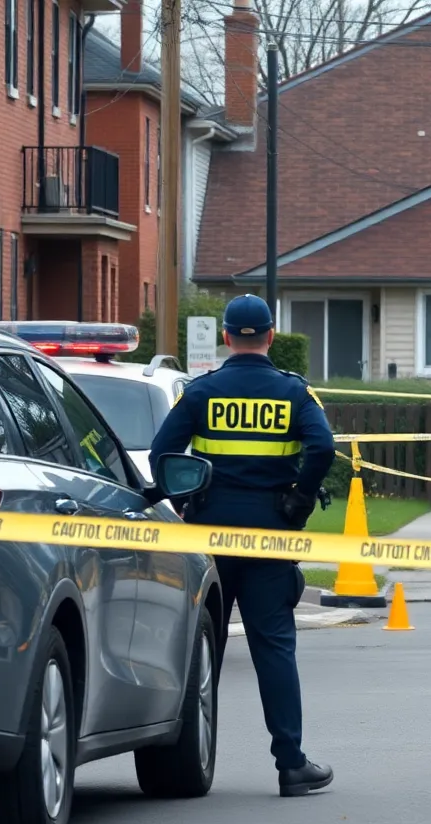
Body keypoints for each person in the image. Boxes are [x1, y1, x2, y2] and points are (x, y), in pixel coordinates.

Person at [149, 293, 337, 794]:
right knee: (273, 648)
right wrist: (298, 499)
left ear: (228, 338)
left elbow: (162, 452)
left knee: (200, 649)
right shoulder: (295, 393)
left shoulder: (201, 392)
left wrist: (184, 501)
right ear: (271, 336)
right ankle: (292, 764)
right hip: (270, 534)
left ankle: (181, 764)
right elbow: (324, 447)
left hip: (210, 533)